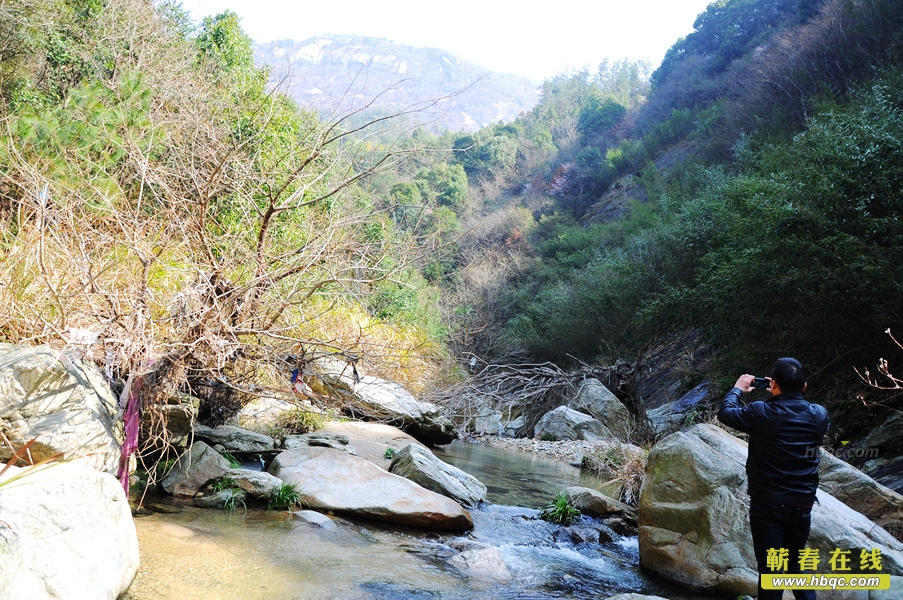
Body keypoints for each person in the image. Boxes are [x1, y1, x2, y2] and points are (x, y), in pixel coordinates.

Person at [718, 357, 830, 600]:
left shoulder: (762, 413)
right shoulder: (819, 416)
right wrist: (780, 392)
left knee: (770, 570)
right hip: (802, 504)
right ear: (805, 387)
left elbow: (726, 413)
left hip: (767, 504)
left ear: (774, 383)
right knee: (795, 567)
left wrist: (738, 387)